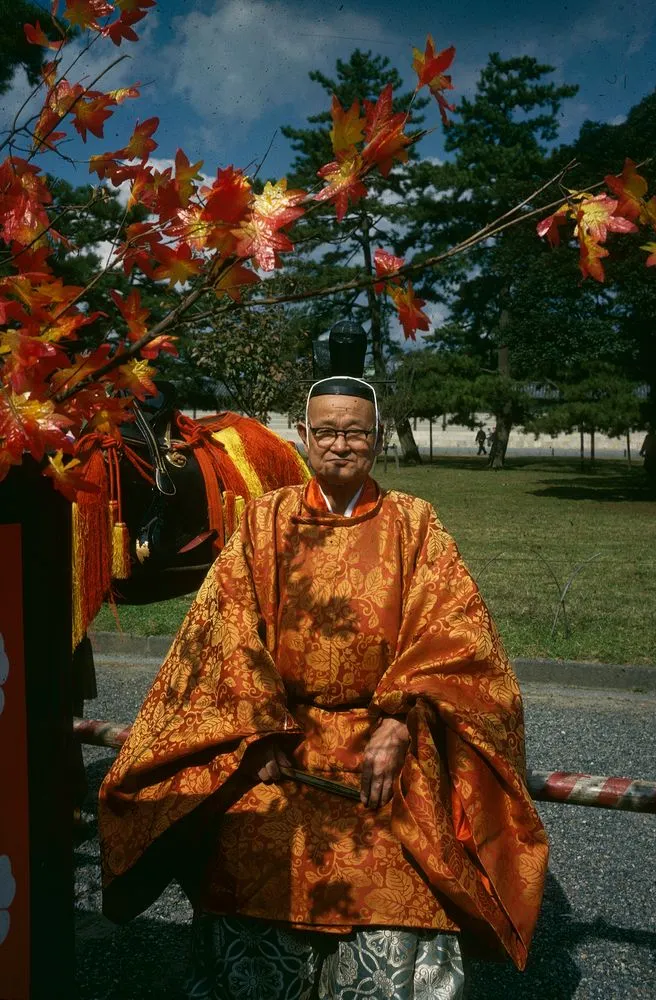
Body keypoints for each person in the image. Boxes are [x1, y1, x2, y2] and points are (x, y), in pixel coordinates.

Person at [99, 375, 548, 1000]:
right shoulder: (266, 520)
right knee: (249, 872)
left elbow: (456, 632)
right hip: (283, 748)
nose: (341, 444)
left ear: (377, 439)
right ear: (304, 436)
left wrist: (401, 722)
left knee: (404, 888)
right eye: (328, 431)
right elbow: (224, 629)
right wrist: (256, 731)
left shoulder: (415, 523)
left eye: (355, 433)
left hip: (384, 752)